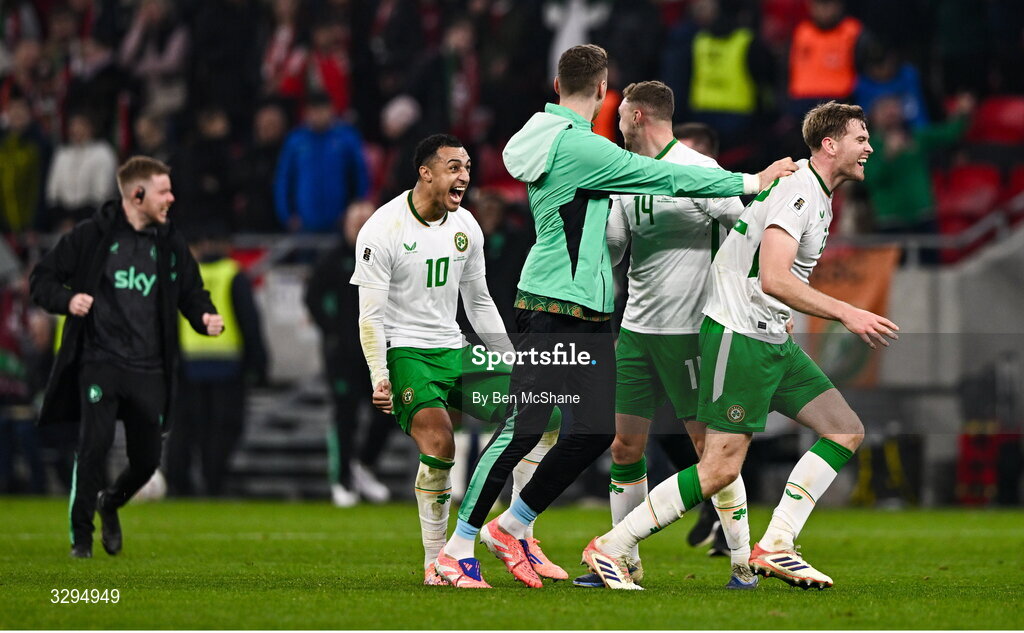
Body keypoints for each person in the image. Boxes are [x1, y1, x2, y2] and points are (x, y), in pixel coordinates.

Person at [437, 44, 796, 590]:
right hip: (551, 305)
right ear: (603, 92)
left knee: (594, 432)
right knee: (525, 428)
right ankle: (457, 548)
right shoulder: (582, 148)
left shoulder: (561, 141)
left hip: (588, 313)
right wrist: (752, 181)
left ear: (557, 87)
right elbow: (669, 179)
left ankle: (513, 526)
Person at [581, 101, 898, 590]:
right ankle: (611, 546)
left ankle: (776, 544)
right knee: (718, 467)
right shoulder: (798, 193)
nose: (869, 147)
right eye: (861, 138)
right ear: (830, 145)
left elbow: (756, 267)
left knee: (843, 430)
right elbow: (773, 277)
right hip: (741, 335)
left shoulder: (815, 192)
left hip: (768, 335)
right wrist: (846, 312)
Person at [351, 134, 563, 588]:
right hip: (409, 353)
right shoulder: (382, 229)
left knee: (545, 414)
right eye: (453, 167)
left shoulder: (466, 225)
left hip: (455, 348)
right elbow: (370, 315)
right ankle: (437, 562)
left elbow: (480, 301)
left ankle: (517, 533)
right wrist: (379, 375)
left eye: (466, 167)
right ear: (425, 172)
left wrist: (510, 360)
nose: (464, 175)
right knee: (440, 442)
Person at [567, 81, 751, 590]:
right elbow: (615, 252)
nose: (615, 123)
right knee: (625, 446)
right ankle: (622, 561)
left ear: (639, 116)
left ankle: (743, 563)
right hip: (636, 332)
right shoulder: (625, 177)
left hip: (690, 332)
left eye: (620, 116)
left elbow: (747, 235)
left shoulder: (700, 171)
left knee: (706, 450)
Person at [29, 156, 225, 558]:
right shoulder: (91, 236)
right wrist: (67, 300)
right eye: (163, 191)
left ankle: (111, 503)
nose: (172, 197)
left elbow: (191, 290)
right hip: (100, 361)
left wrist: (203, 315)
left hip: (149, 367)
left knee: (147, 461)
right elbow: (41, 279)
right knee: (94, 444)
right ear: (137, 194)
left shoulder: (170, 243)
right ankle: (81, 540)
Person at [165, 228, 266, 497]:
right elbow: (249, 322)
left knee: (189, 429)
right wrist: (259, 364)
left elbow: (170, 322)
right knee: (222, 430)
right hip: (227, 365)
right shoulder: (233, 274)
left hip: (191, 365)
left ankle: (180, 484)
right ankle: (214, 483)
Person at [305, 202, 394, 507]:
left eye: (366, 220)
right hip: (344, 355)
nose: (360, 225)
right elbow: (312, 297)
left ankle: (364, 466)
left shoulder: (386, 258)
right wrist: (334, 332)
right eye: (355, 219)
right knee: (345, 417)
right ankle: (342, 480)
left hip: (380, 352)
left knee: (387, 412)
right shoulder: (333, 258)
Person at [274, 92, 369, 233]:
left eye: (322, 110)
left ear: (331, 110)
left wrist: (353, 213)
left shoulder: (346, 138)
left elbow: (360, 176)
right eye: (313, 111)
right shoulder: (295, 141)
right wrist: (287, 215)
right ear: (307, 112)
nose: (318, 115)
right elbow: (284, 179)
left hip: (339, 222)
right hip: (303, 224)